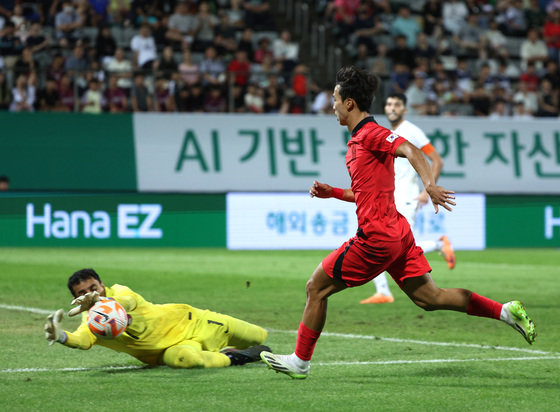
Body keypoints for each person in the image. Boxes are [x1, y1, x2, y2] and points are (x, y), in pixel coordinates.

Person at [260, 66, 536, 380]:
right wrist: (333, 192)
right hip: (397, 232)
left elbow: (412, 150)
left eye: (335, 99)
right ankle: (505, 311)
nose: (331, 106)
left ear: (350, 103)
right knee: (430, 298)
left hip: (376, 237)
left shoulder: (370, 133)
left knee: (316, 288)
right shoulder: (358, 142)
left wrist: (429, 184)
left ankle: (300, 361)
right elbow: (365, 192)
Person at [44, 268, 270, 369]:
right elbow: (82, 341)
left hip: (194, 321)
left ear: (102, 285)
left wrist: (106, 303)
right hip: (170, 350)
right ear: (75, 298)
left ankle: (231, 348)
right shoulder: (93, 323)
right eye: (82, 293)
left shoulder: (120, 292)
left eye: (93, 288)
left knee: (260, 336)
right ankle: (234, 358)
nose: (90, 294)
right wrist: (61, 336)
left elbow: (128, 302)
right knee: (188, 361)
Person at [360, 92, 454, 305]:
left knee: (388, 244)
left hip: (408, 197)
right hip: (391, 198)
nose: (392, 108)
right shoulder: (389, 133)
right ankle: (383, 290)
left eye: (397, 105)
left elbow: (436, 160)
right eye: (389, 104)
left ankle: (438, 244)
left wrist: (427, 189)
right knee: (386, 242)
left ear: (404, 109)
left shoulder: (412, 131)